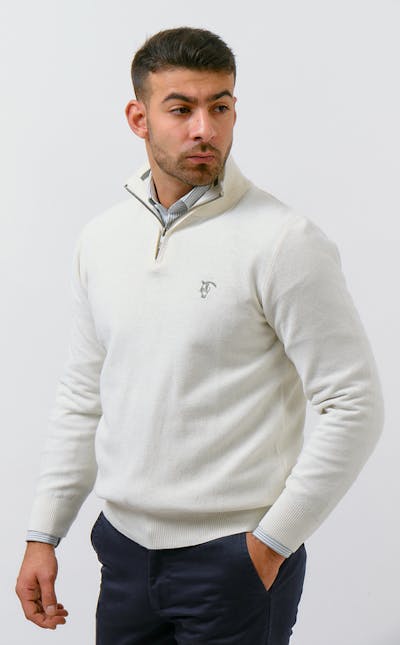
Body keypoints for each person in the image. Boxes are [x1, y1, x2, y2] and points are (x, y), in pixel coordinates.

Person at [15, 26, 384, 644]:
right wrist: (43, 533)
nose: (204, 129)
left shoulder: (283, 241)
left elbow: (354, 403)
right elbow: (83, 394)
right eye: (181, 109)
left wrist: (270, 544)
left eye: (221, 106)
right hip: (123, 552)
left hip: (234, 560)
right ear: (139, 118)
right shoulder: (103, 240)